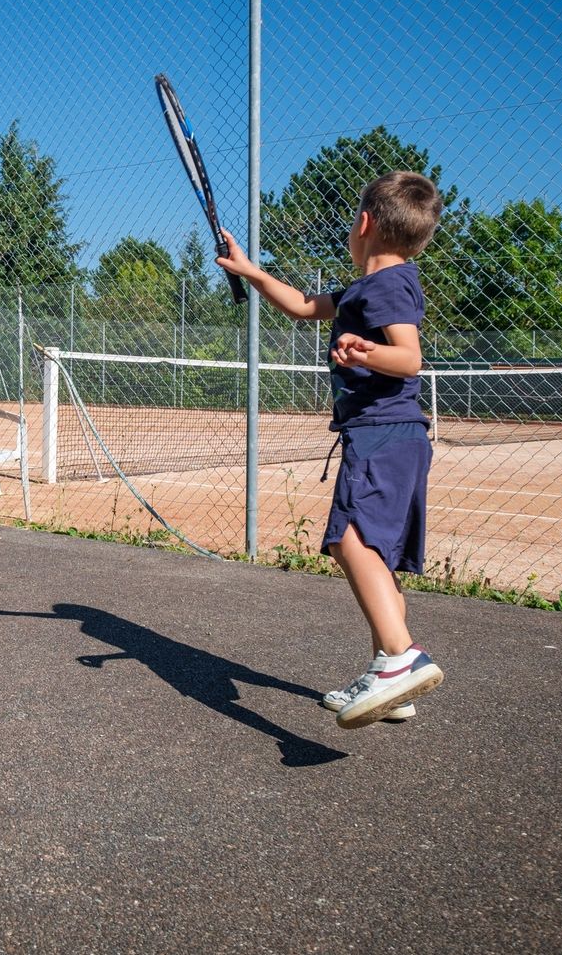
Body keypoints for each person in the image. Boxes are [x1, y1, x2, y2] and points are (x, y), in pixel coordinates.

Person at [215, 171, 445, 729]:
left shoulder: (388, 286)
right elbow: (300, 305)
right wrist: (250, 271)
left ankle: (402, 659)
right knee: (378, 560)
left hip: (382, 434)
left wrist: (365, 351)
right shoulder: (365, 290)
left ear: (364, 224)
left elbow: (409, 359)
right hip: (394, 436)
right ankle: (392, 680)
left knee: (349, 541)